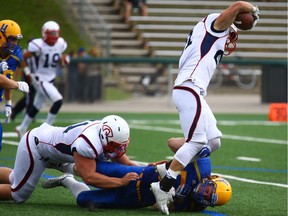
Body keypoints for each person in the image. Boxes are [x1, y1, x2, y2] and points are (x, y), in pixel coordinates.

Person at [149, 2, 260, 215]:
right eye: (231, 32)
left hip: (194, 91)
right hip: (189, 87)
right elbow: (238, 5)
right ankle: (163, 186)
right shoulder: (214, 25)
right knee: (197, 141)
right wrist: (254, 12)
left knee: (213, 141)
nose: (231, 38)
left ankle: (170, 166)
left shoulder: (206, 34)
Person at [41, 137, 232, 212]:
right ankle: (61, 165)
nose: (204, 194)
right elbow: (172, 142)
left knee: (84, 200)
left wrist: (168, 201)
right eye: (209, 190)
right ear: (211, 179)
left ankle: (67, 181)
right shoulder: (202, 166)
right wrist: (196, 148)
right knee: (91, 171)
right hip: (139, 175)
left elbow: (161, 206)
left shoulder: (195, 205)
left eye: (209, 198)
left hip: (136, 200)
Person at [0, 115, 140, 203]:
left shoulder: (103, 131)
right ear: (104, 137)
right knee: (18, 194)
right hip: (37, 148)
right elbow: (89, 177)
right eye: (115, 146)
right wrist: (120, 182)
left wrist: (147, 170)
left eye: (121, 146)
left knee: (15, 178)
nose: (119, 150)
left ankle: (65, 179)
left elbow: (126, 163)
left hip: (56, 150)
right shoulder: (88, 142)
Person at [15, 21, 69, 138]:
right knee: (58, 100)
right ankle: (47, 130)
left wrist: (63, 61)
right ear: (44, 33)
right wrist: (27, 72)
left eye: (55, 33)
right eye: (51, 33)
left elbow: (58, 59)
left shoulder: (60, 44)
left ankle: (22, 127)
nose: (54, 36)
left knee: (38, 105)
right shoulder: (38, 45)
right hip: (40, 78)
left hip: (50, 78)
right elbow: (21, 57)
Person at [0, 19, 30, 150]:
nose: (14, 43)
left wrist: (8, 102)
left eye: (16, 40)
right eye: (11, 39)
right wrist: (17, 85)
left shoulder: (15, 56)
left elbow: (6, 78)